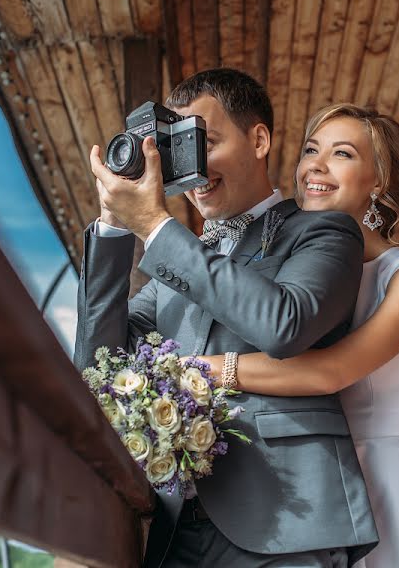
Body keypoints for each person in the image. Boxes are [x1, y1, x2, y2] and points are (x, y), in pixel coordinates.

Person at [74, 70, 378, 568]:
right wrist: (113, 224)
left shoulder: (322, 232)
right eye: (177, 148)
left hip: (286, 519)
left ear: (258, 139)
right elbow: (98, 366)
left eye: (204, 141)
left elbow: (286, 325)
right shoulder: (177, 262)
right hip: (175, 528)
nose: (191, 166)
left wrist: (154, 224)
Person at [195, 104, 399, 567]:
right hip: (309, 483)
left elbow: (335, 371)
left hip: (385, 482)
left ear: (379, 182)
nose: (316, 164)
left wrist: (205, 370)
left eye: (342, 154)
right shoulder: (296, 278)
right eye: (311, 149)